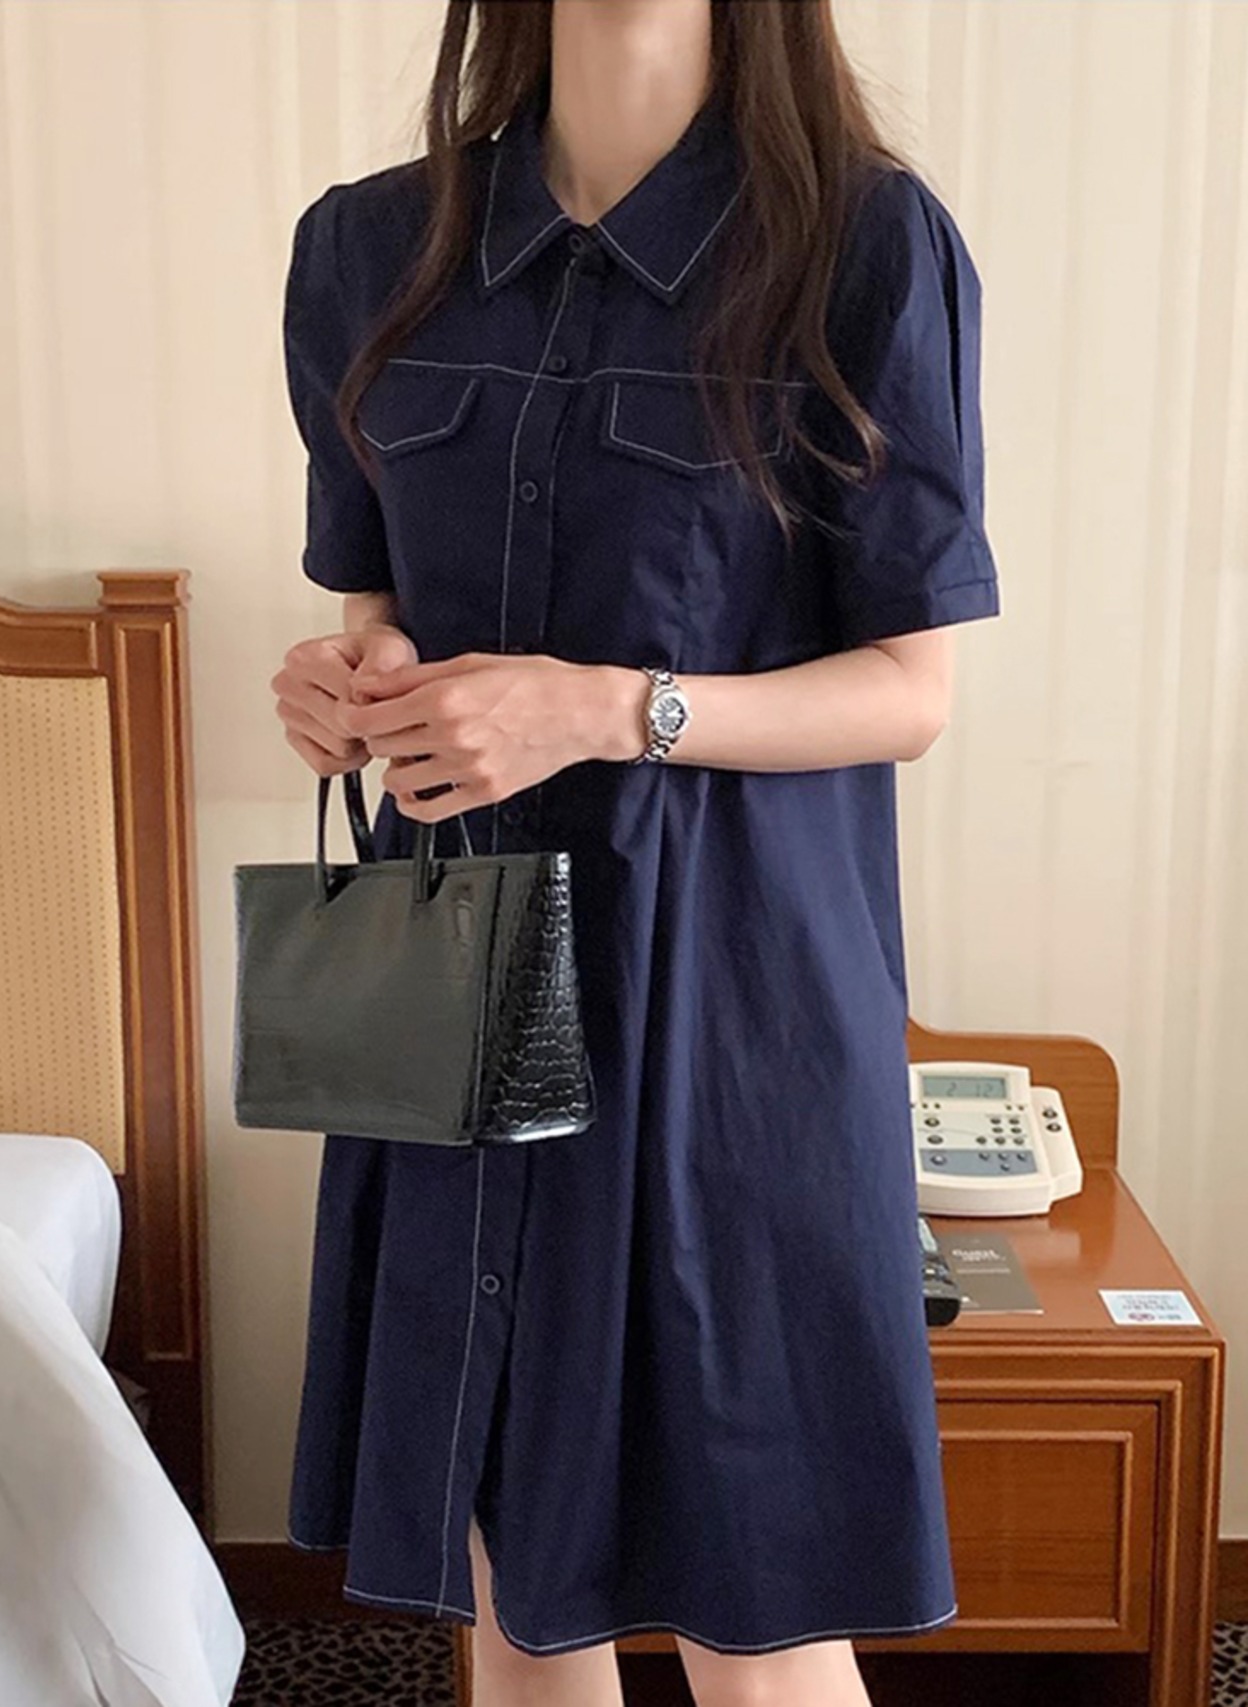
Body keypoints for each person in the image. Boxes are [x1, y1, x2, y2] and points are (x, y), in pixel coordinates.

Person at [271, 1, 1001, 1703]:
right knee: (513, 1589)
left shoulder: (863, 243)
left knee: (761, 1612)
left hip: (736, 1001)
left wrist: (610, 710)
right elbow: (379, 614)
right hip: (447, 974)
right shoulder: (367, 249)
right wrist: (346, 687)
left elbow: (911, 691)